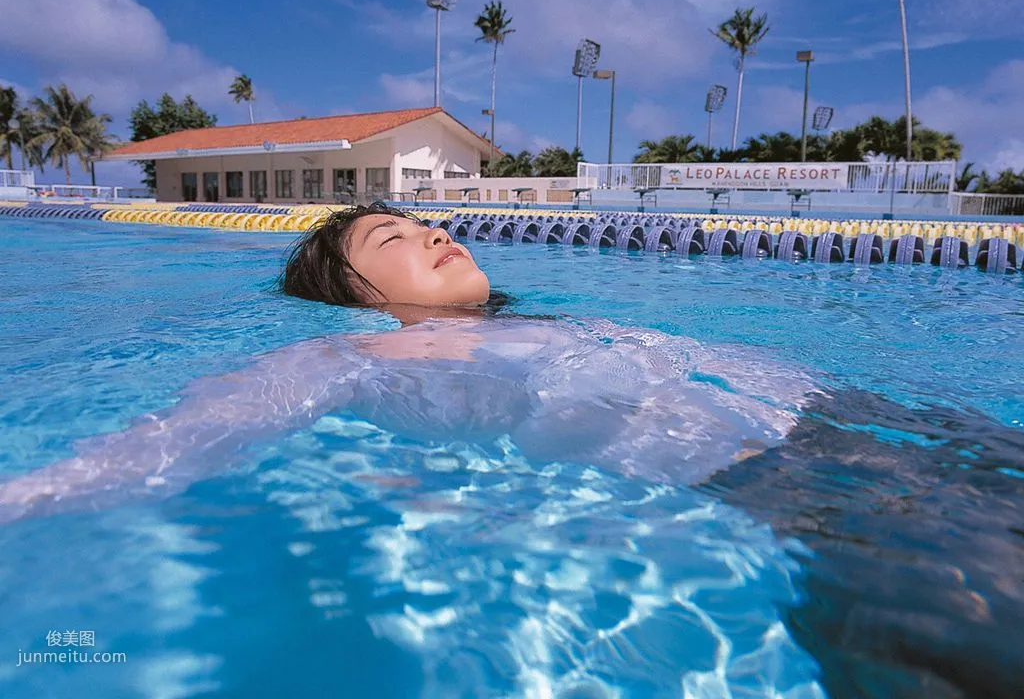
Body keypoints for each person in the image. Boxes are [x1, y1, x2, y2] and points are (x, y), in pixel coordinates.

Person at [0, 203, 820, 520]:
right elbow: (192, 433)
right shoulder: (354, 352)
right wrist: (27, 496)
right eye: (392, 239)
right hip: (768, 489)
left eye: (426, 224)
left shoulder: (557, 320)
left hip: (837, 433)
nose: (433, 233)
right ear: (352, 295)